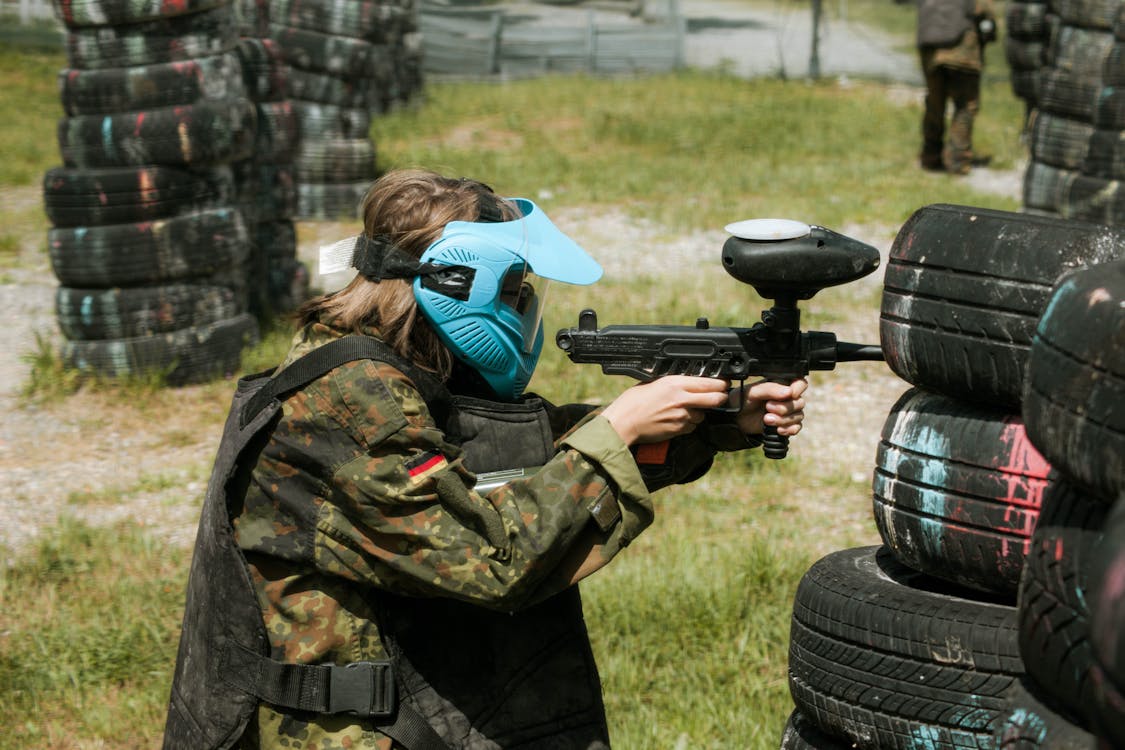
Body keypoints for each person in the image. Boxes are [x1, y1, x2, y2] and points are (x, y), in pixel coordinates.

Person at [162, 168, 807, 750]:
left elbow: (512, 450)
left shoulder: (378, 368)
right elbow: (493, 555)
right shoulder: (350, 405)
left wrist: (716, 422)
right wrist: (619, 426)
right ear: (456, 284)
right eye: (515, 290)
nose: (523, 307)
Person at [916, 0, 997, 174]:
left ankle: (930, 155)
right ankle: (958, 161)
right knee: (965, 105)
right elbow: (986, 12)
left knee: (935, 103)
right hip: (962, 50)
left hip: (931, 49)